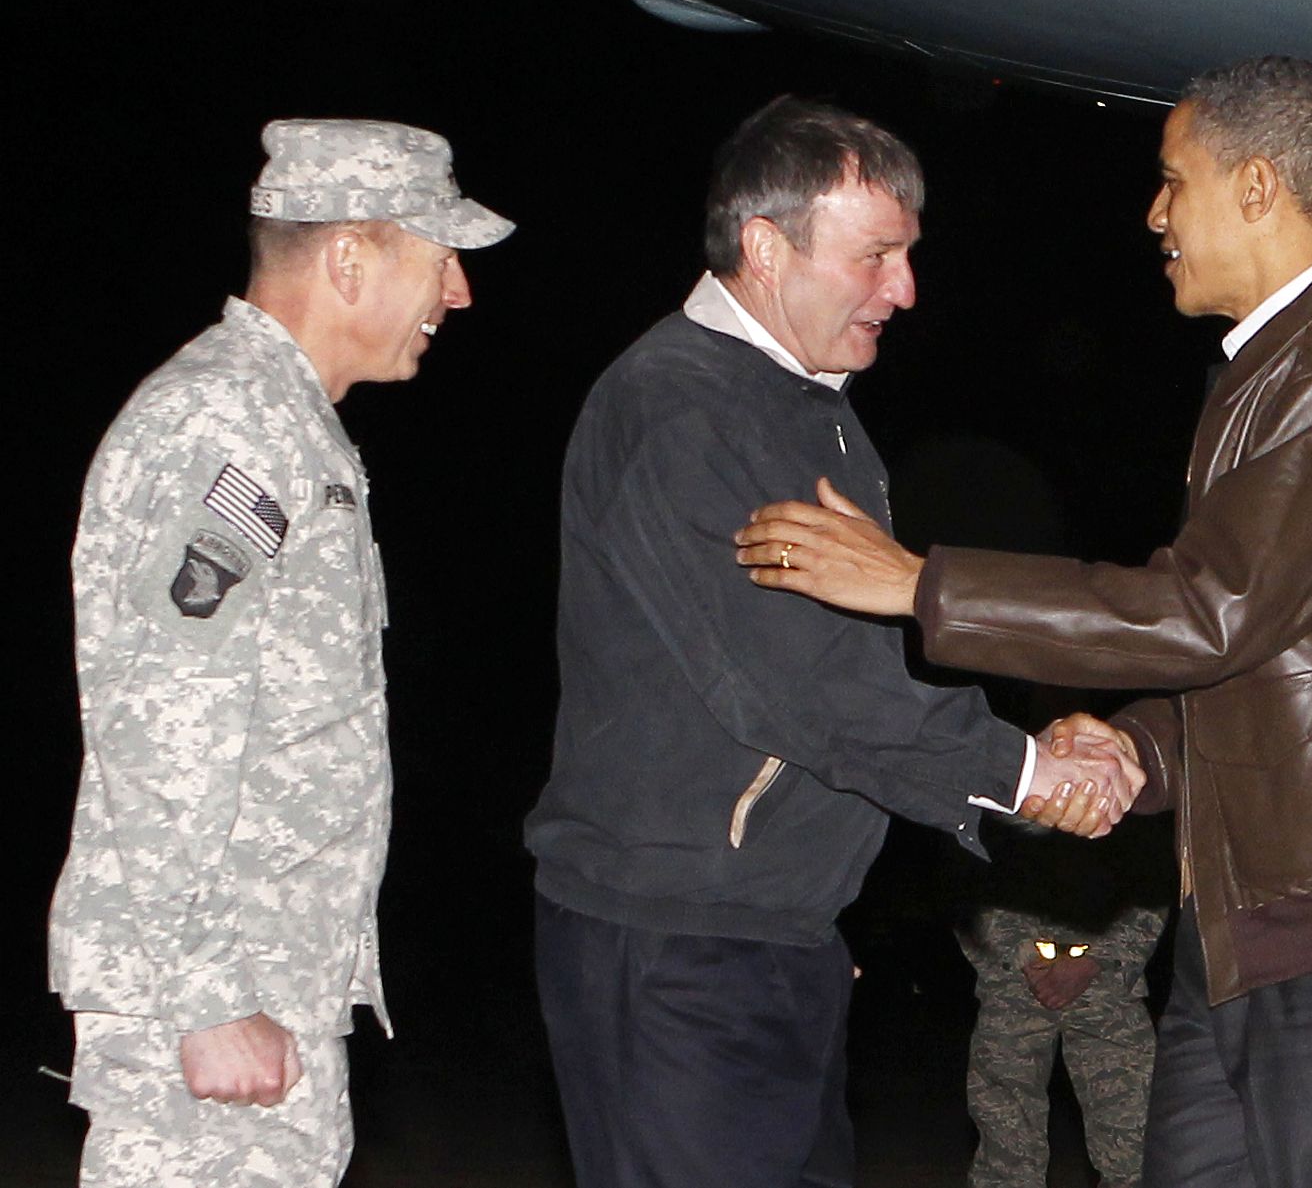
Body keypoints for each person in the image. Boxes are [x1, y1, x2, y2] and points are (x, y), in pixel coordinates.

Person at [735, 57, 1312, 1188]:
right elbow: (1270, 656)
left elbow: (1205, 611)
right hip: (1254, 930)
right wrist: (1134, 750)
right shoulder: (1278, 370)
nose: (1155, 214)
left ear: (1257, 187)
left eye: (1175, 180)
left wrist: (919, 584)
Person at [523, 96, 1141, 1188]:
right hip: (676, 945)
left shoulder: (811, 409)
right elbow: (802, 690)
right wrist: (1028, 771)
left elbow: (838, 680)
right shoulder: (682, 412)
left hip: (772, 938)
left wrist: (811, 907)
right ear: (766, 248)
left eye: (906, 255)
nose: (904, 290)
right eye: (875, 256)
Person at [48, 119, 512, 1187]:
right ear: (349, 258)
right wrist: (210, 995)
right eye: (440, 257)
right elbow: (159, 722)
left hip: (267, 976)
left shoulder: (287, 422)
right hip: (209, 991)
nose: (457, 292)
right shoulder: (231, 425)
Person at [957, 817, 1168, 1188]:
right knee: (1006, 1153)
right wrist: (1024, 955)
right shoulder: (998, 790)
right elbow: (965, 875)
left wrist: (1097, 959)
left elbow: (1152, 879)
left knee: (1132, 1147)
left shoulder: (1121, 790)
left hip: (1106, 986)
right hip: (1015, 983)